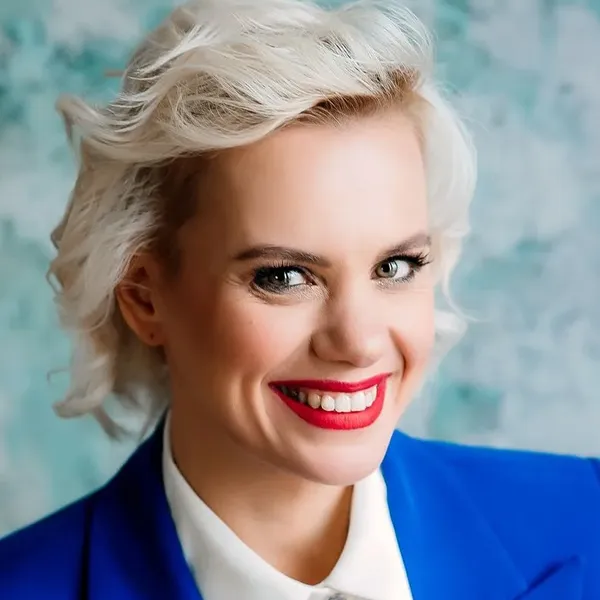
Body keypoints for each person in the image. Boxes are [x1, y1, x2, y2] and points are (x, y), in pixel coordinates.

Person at [1, 0, 599, 598]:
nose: (358, 342)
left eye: (395, 267)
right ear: (144, 298)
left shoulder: (585, 520)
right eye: (285, 277)